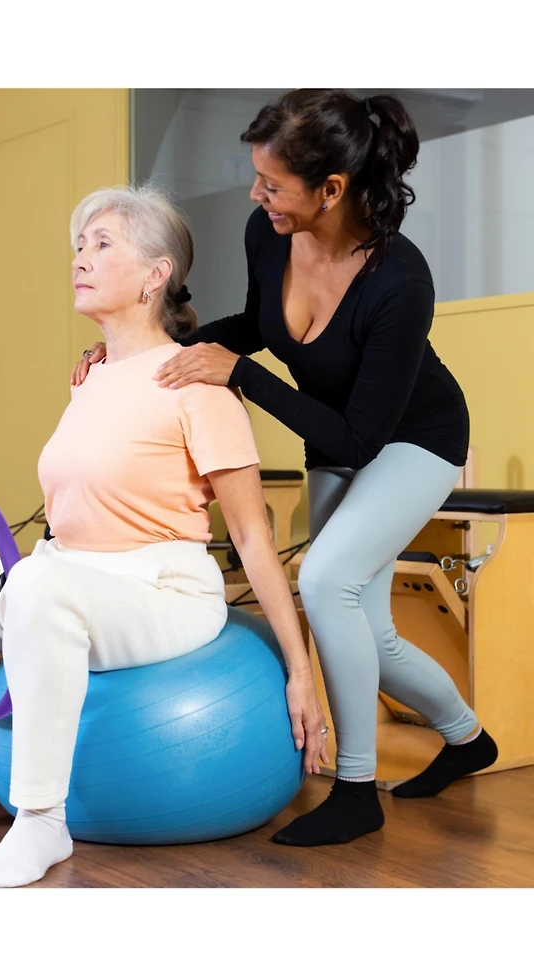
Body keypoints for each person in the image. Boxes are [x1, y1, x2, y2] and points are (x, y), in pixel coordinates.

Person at [0, 185, 326, 886]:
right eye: (78, 245)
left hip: (161, 592)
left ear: (157, 274)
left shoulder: (201, 385)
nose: (80, 258)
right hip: (61, 577)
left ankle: (41, 820)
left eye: (102, 244)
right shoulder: (91, 375)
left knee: (39, 580)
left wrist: (301, 671)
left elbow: (252, 534)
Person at [73, 90, 498, 848]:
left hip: (414, 441)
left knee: (325, 581)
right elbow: (260, 327)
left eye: (271, 183)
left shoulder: (400, 279)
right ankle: (468, 738)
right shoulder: (267, 234)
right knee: (363, 624)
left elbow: (361, 433)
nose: (254, 194)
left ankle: (357, 788)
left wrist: (239, 375)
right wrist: (149, 345)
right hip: (334, 438)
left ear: (331, 189)